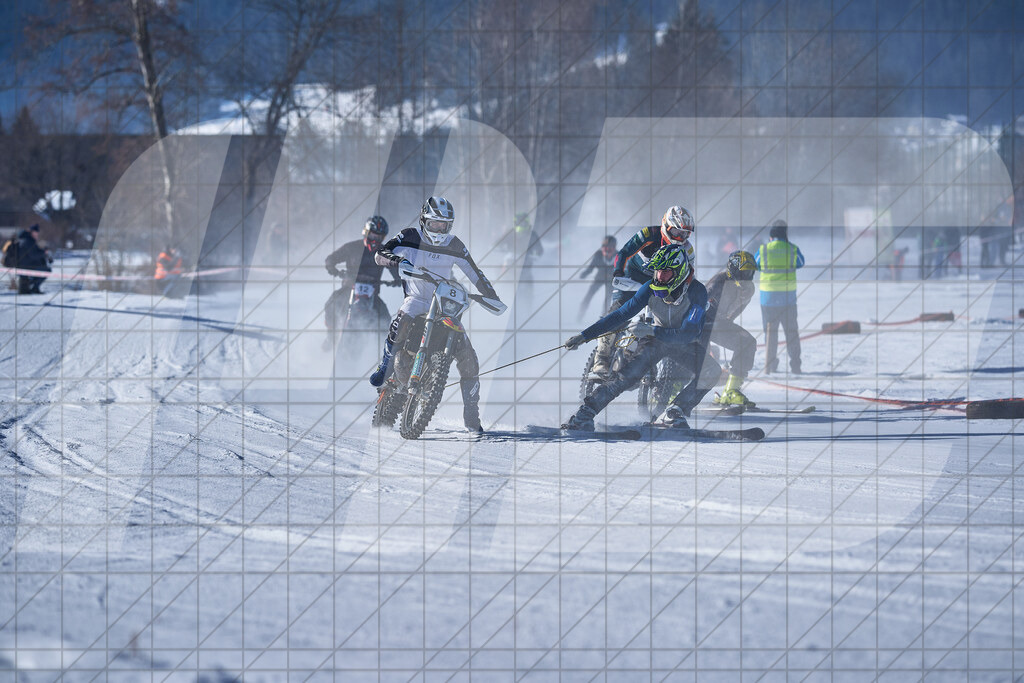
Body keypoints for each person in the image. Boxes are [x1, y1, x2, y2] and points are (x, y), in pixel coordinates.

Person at [369, 196, 506, 432]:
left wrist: (491, 295)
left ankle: (471, 415)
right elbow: (381, 252)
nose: (439, 229)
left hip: (443, 303)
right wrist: (398, 262)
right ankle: (385, 367)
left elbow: (475, 273)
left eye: (444, 225)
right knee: (401, 322)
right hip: (417, 299)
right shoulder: (410, 236)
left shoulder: (455, 244)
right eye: (434, 224)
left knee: (468, 356)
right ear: (424, 221)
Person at [562, 243, 720, 431]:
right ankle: (585, 414)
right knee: (625, 378)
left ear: (680, 272)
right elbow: (620, 315)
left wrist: (652, 331)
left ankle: (675, 411)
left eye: (666, 272)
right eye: (657, 271)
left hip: (681, 343)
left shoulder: (697, 292)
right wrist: (584, 336)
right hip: (655, 341)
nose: (659, 277)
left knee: (711, 371)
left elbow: (689, 332)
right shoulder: (650, 287)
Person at [586, 205, 696, 381]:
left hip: (660, 284)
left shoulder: (687, 249)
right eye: (676, 231)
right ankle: (601, 358)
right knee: (618, 312)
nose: (680, 237)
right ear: (666, 226)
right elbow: (624, 252)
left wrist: (684, 291)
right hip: (632, 277)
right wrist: (618, 272)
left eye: (685, 234)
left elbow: (689, 273)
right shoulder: (649, 234)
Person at [323, 216, 400, 347]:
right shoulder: (351, 248)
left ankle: (380, 348)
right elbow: (330, 259)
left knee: (385, 317)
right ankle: (330, 336)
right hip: (349, 289)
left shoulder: (384, 253)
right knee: (331, 304)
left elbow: (396, 269)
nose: (375, 240)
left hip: (372, 295)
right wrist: (334, 270)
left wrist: (399, 279)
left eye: (379, 237)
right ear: (366, 232)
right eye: (373, 235)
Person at [705, 250, 758, 406]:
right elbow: (699, 300)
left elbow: (736, 311)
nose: (748, 277)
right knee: (697, 358)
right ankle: (671, 390)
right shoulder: (719, 281)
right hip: (701, 322)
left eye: (750, 273)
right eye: (744, 272)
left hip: (720, 324)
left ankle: (731, 390)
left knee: (747, 343)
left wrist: (728, 325)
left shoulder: (749, 289)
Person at [756, 219, 804, 374]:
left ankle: (770, 364)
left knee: (771, 333)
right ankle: (795, 365)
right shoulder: (792, 249)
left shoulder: (763, 250)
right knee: (791, 332)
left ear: (771, 235)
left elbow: (756, 264)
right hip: (788, 299)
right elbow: (801, 262)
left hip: (768, 299)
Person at [577, 235, 617, 318]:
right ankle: (580, 315)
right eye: (605, 247)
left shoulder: (618, 255)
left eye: (610, 247)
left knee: (608, 299)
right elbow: (590, 268)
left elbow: (623, 268)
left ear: (614, 248)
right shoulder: (598, 254)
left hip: (611, 280)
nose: (608, 250)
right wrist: (584, 274)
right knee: (589, 295)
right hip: (599, 278)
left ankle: (603, 318)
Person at [15, 225, 52, 294]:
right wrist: (44, 252)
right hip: (25, 266)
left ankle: (31, 286)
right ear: (32, 232)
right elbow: (33, 255)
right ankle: (32, 286)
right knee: (46, 270)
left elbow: (34, 253)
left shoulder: (28, 239)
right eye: (36, 232)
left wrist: (43, 252)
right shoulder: (28, 241)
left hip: (25, 264)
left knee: (44, 268)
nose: (37, 233)